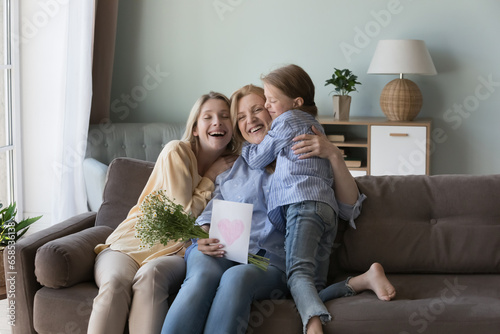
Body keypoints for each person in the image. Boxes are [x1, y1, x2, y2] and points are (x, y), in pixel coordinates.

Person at [161, 84, 395, 334]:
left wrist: (334, 155)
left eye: (257, 110)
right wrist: (202, 233)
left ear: (274, 111)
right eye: (240, 117)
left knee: (236, 278)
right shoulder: (232, 164)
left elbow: (349, 209)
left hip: (269, 262)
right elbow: (210, 210)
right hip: (220, 249)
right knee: (201, 275)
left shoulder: (303, 154)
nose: (249, 120)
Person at [238, 64, 374, 334]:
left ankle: (313, 328)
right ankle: (361, 281)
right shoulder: (314, 126)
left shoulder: (286, 122)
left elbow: (257, 158)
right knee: (314, 286)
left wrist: (240, 147)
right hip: (326, 212)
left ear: (296, 102)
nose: (266, 106)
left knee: (297, 276)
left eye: (269, 101)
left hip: (303, 206)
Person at [88, 92, 239, 334]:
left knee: (151, 277)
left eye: (224, 116)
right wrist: (209, 177)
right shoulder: (176, 151)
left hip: (176, 253)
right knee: (115, 282)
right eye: (207, 117)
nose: (217, 122)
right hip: (129, 245)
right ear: (196, 128)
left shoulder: (234, 168)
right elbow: (182, 215)